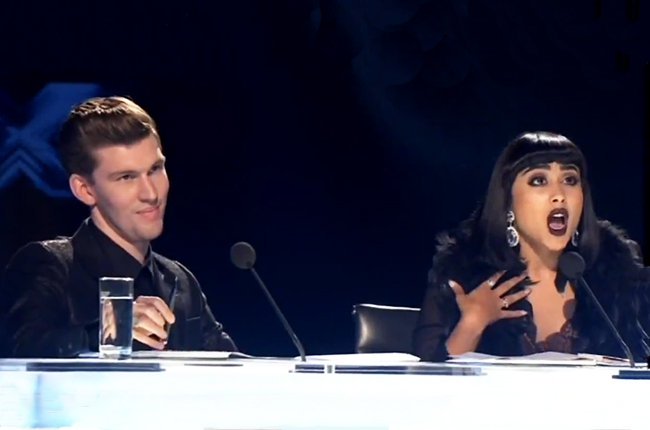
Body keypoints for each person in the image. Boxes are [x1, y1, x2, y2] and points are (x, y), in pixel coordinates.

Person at [0, 96, 236, 357]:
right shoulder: (48, 267)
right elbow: (23, 351)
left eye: (155, 169)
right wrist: (112, 331)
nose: (151, 194)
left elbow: (231, 366)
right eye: (126, 177)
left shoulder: (179, 281)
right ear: (85, 189)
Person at [413, 131, 650, 362]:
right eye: (539, 181)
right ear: (508, 200)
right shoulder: (463, 269)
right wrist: (473, 323)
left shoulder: (616, 273)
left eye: (570, 180)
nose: (559, 195)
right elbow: (430, 377)